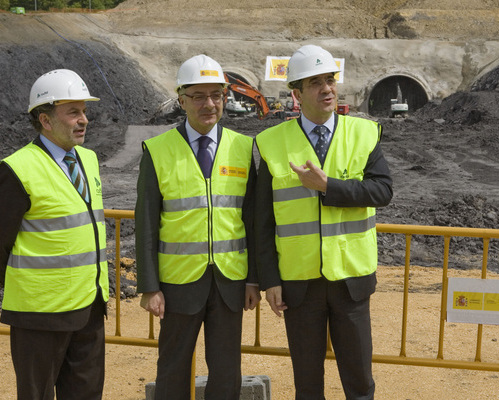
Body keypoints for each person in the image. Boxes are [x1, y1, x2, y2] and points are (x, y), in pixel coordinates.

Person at [255, 45, 393, 400]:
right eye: (315, 82)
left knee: (359, 382)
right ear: (296, 94)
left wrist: (329, 187)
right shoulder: (271, 144)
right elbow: (262, 221)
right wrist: (268, 279)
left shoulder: (364, 134)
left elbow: (382, 191)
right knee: (307, 384)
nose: (327, 88)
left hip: (351, 281)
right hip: (300, 285)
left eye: (330, 80)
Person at [136, 54, 260, 400]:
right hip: (177, 284)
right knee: (173, 371)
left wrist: (253, 278)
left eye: (216, 95)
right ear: (182, 101)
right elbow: (146, 221)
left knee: (226, 373)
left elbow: (251, 219)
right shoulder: (158, 151)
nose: (209, 104)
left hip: (229, 282)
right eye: (199, 96)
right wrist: (149, 286)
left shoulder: (244, 148)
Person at [0, 69, 109, 400]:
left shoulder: (88, 160)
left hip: (89, 306)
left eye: (84, 111)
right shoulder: (17, 169)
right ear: (46, 120)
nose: (83, 120)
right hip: (40, 315)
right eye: (73, 112)